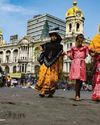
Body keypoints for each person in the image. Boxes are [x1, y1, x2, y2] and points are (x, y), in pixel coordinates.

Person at [35, 29, 63, 97]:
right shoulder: (47, 44)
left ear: (57, 37)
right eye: (52, 36)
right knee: (43, 76)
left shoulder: (59, 46)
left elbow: (59, 54)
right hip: (46, 62)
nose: (53, 37)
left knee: (53, 78)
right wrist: (41, 51)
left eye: (54, 36)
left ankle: (51, 92)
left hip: (54, 63)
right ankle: (43, 91)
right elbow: (40, 48)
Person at [67, 34, 89, 101]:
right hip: (76, 64)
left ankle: (77, 94)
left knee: (81, 80)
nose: (80, 40)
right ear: (76, 40)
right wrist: (70, 56)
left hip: (82, 64)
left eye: (81, 39)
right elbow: (71, 57)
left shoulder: (85, 48)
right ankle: (77, 95)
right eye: (79, 38)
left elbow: (86, 56)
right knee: (77, 80)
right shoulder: (73, 48)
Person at [89, 30, 100, 101]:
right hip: (98, 61)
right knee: (98, 78)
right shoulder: (96, 38)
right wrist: (94, 53)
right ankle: (98, 94)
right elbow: (90, 50)